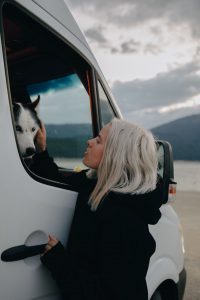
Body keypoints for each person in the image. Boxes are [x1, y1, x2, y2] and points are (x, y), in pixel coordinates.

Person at [31, 118, 164, 300]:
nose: (89, 141)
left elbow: (108, 295)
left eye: (99, 140)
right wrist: (41, 150)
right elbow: (57, 181)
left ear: (116, 154)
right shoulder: (94, 185)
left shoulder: (127, 222)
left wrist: (60, 261)